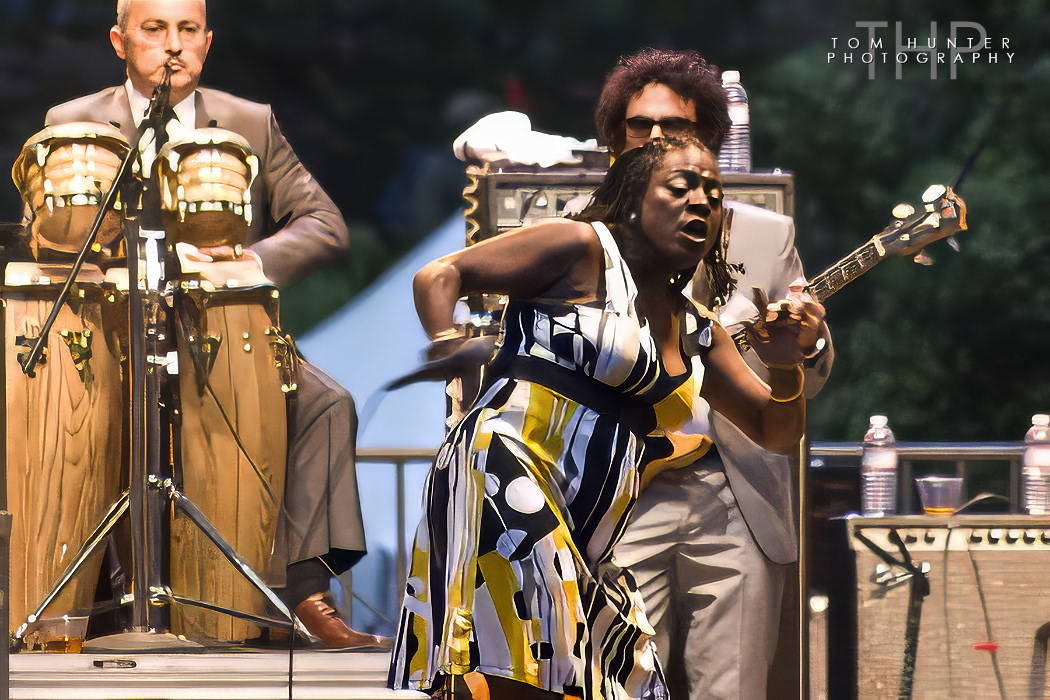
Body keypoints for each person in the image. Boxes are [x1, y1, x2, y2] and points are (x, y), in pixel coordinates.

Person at [389, 135, 820, 700]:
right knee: (540, 664)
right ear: (635, 199)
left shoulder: (696, 326)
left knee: (622, 678)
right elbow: (438, 276)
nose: (702, 203)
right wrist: (449, 347)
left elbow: (774, 431)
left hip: (590, 528)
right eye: (681, 186)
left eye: (714, 197)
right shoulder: (581, 248)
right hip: (505, 473)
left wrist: (788, 368)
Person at [41, 0, 379, 649]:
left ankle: (305, 595)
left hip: (230, 336)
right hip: (113, 339)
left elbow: (325, 224)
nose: (173, 46)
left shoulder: (250, 122)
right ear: (119, 41)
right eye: (154, 29)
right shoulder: (73, 122)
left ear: (208, 40)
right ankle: (83, 602)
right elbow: (50, 238)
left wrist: (250, 259)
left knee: (326, 402)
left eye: (188, 30)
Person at [595, 49, 833, 700]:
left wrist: (802, 349)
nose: (655, 139)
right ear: (616, 142)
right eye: (639, 127)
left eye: (674, 128)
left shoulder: (764, 234)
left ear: (708, 142)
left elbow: (812, 369)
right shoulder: (584, 241)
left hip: (737, 494)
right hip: (623, 495)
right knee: (614, 685)